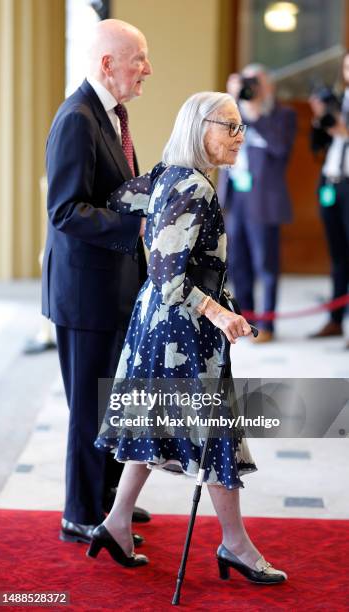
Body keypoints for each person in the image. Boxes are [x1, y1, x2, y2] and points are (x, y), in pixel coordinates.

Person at [89, 91, 287, 586]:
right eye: (231, 126)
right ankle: (235, 544)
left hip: (156, 324)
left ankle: (115, 523)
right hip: (181, 328)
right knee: (214, 432)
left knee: (153, 423)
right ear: (202, 128)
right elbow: (165, 273)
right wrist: (220, 313)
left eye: (242, 127)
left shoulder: (167, 175)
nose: (240, 136)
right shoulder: (192, 185)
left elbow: (118, 201)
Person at [41, 18, 152, 544]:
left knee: (114, 402)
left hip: (115, 288)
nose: (147, 69)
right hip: (85, 295)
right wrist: (138, 226)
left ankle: (111, 500)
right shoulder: (78, 119)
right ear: (109, 65)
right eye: (140, 60)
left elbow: (114, 191)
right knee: (90, 410)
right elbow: (64, 210)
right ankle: (80, 514)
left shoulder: (113, 116)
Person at [218, 64, 297, 343]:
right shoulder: (232, 113)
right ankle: (248, 321)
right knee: (237, 262)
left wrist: (254, 112)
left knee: (266, 264)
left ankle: (269, 324)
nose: (251, 88)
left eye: (257, 82)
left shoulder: (283, 116)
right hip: (235, 198)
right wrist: (231, 101)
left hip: (264, 200)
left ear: (269, 87)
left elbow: (280, 147)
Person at [308, 50, 349, 348]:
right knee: (337, 257)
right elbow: (316, 146)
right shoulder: (337, 100)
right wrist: (317, 120)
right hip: (331, 184)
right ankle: (335, 320)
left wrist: (345, 132)